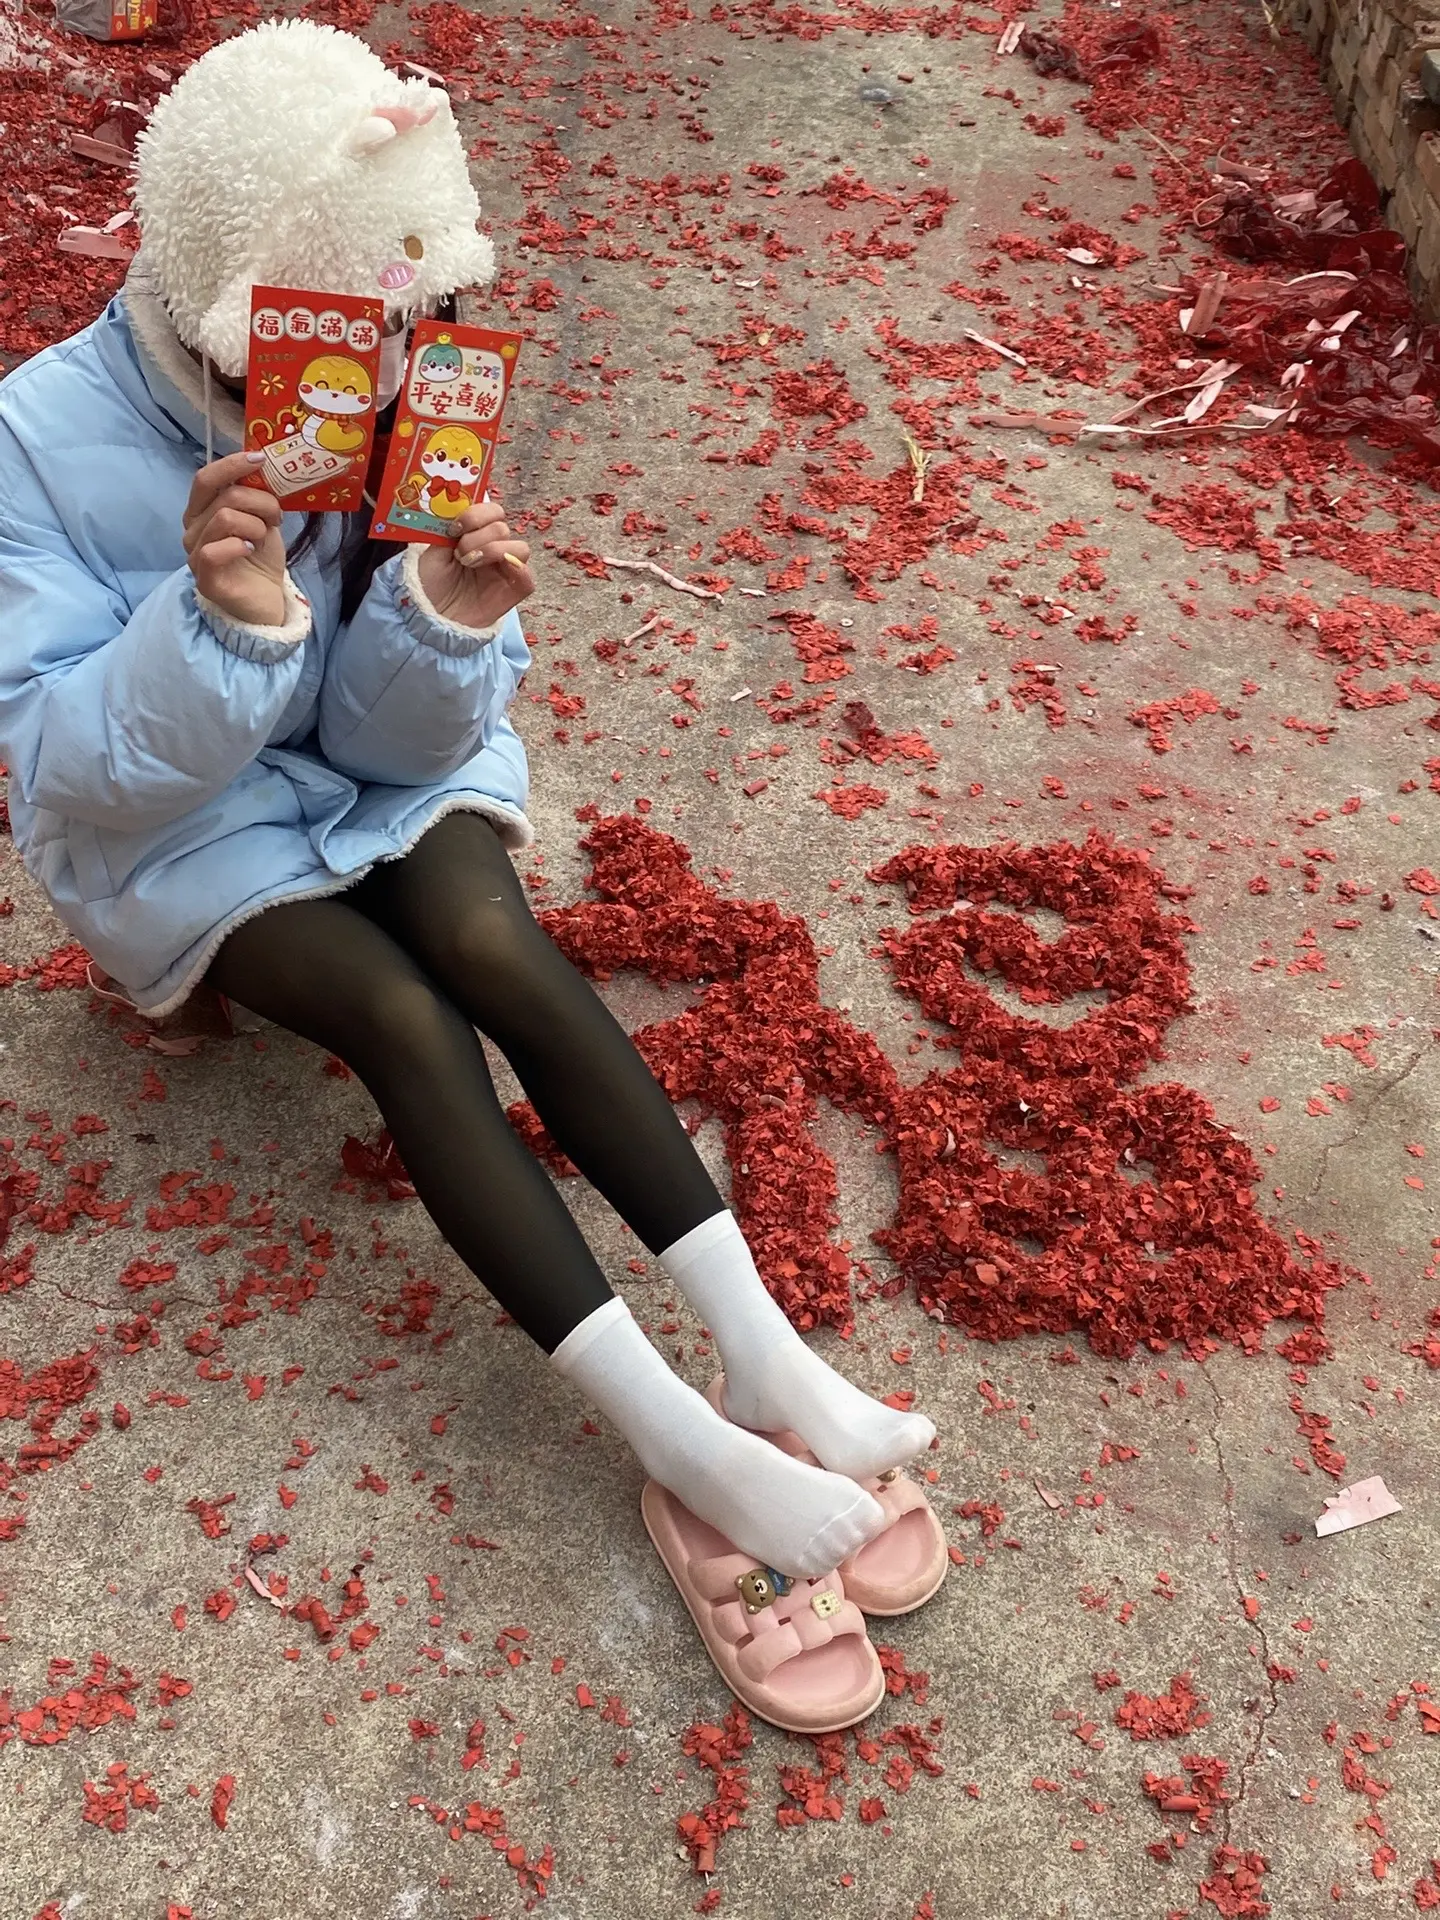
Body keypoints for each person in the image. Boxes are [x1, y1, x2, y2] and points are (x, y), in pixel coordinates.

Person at [0, 20, 935, 1584]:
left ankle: (765, 1356)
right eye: (337, 332)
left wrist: (442, 615)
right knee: (407, 1019)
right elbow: (63, 768)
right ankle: (678, 1438)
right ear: (230, 302)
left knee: (503, 952)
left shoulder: (411, 374)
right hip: (172, 827)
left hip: (365, 768)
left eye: (413, 322)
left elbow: (395, 752)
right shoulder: (33, 441)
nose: (383, 370)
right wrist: (221, 623)